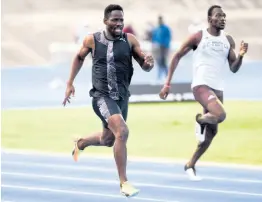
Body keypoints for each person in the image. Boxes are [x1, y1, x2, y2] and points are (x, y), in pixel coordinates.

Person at [62, 4, 154, 197]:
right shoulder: (92, 40)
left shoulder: (130, 41)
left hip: (122, 97)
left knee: (109, 139)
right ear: (105, 21)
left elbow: (143, 64)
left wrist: (148, 64)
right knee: (122, 130)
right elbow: (78, 58)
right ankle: (124, 183)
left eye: (121, 19)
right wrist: (70, 83)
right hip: (101, 96)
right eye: (115, 20)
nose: (119, 23)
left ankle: (81, 143)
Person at [159, 5, 248, 180]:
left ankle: (190, 165)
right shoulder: (199, 36)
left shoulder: (227, 40)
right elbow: (176, 56)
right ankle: (199, 119)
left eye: (224, 16)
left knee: (211, 133)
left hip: (218, 88)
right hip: (201, 85)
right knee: (221, 115)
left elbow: (234, 68)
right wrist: (167, 83)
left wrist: (242, 55)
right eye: (218, 16)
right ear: (210, 19)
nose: (222, 18)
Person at [153, 15, 172, 81]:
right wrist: (154, 44)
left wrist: (165, 45)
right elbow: (154, 37)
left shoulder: (166, 28)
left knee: (163, 61)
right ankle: (160, 75)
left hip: (163, 47)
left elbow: (168, 37)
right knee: (158, 61)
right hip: (157, 47)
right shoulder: (157, 28)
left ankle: (167, 74)